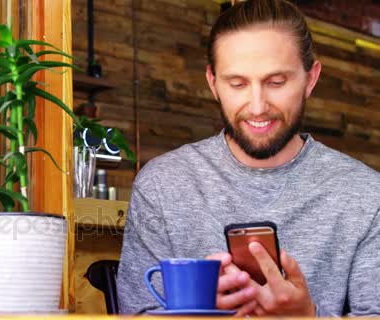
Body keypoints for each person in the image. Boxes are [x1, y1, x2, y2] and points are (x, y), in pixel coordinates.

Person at [116, 0, 380, 316]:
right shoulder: (163, 185)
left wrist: (307, 317)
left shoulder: (366, 195)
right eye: (238, 83)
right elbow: (134, 313)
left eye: (276, 82)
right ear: (213, 83)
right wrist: (197, 311)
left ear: (311, 79)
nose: (257, 106)